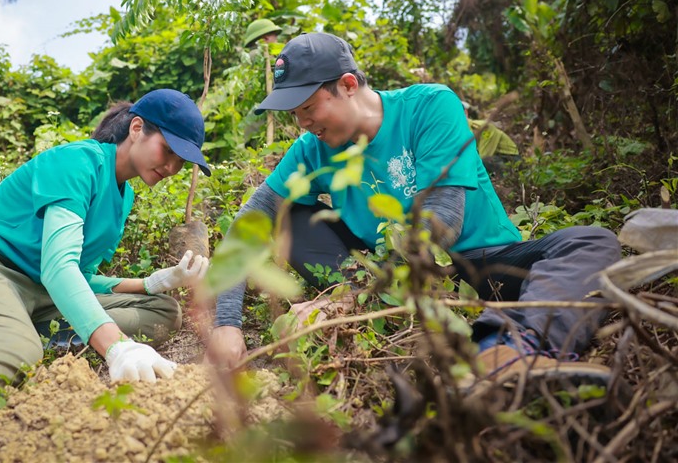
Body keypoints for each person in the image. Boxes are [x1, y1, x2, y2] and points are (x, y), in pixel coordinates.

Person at [208, 32, 620, 386]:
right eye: (296, 114)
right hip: (384, 278)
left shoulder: (429, 106)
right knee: (286, 218)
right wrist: (227, 323)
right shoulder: (311, 150)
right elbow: (249, 223)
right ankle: (376, 301)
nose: (304, 124)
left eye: (309, 108)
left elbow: (444, 216)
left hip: (477, 264)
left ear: (348, 84)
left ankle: (512, 350)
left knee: (591, 241)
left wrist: (363, 292)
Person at [0, 89, 211, 412]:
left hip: (38, 291)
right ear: (136, 129)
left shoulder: (124, 198)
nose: (172, 167)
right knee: (16, 350)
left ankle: (23, 327)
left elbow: (79, 277)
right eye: (168, 150)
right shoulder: (77, 163)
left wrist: (153, 283)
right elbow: (58, 267)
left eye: (182, 162)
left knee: (163, 311)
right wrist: (117, 346)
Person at [243, 18, 283, 147]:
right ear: (265, 39)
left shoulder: (251, 56)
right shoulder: (257, 55)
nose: (276, 41)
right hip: (263, 117)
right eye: (274, 37)